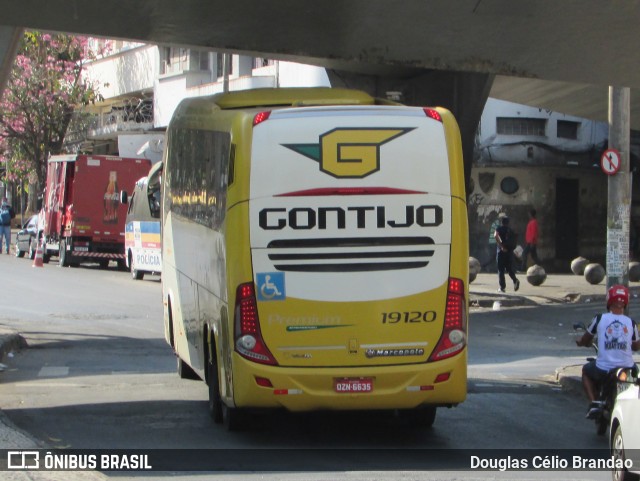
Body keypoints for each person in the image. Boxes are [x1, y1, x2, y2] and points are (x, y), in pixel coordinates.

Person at [576, 285, 640, 418]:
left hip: (603, 368)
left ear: (609, 300)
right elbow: (636, 347)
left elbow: (586, 338)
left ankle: (594, 403)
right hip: (627, 367)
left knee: (586, 371)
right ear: (625, 302)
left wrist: (580, 342)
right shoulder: (631, 323)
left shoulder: (599, 319)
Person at [494, 215, 519, 293]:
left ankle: (502, 287)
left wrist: (501, 246)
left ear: (501, 222)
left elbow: (495, 235)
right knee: (509, 269)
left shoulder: (499, 228)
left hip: (501, 252)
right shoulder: (510, 230)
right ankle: (515, 280)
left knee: (501, 269)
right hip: (509, 252)